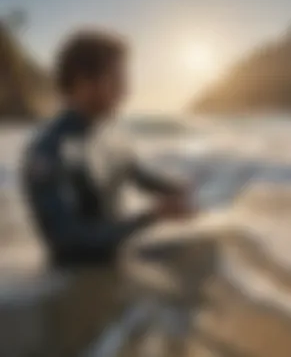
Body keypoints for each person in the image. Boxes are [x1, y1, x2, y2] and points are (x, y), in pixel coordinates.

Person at [21, 29, 193, 355]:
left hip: (118, 270)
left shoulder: (111, 133)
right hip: (74, 290)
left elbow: (138, 175)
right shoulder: (46, 153)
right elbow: (68, 239)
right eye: (117, 79)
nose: (127, 90)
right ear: (85, 82)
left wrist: (180, 187)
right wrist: (152, 216)